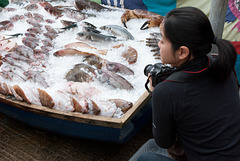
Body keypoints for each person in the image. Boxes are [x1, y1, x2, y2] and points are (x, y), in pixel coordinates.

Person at [129, 6, 240, 161]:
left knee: (146, 158)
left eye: (162, 40)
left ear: (182, 52)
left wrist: (157, 93)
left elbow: (164, 142)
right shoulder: (222, 65)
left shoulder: (166, 91)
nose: (159, 45)